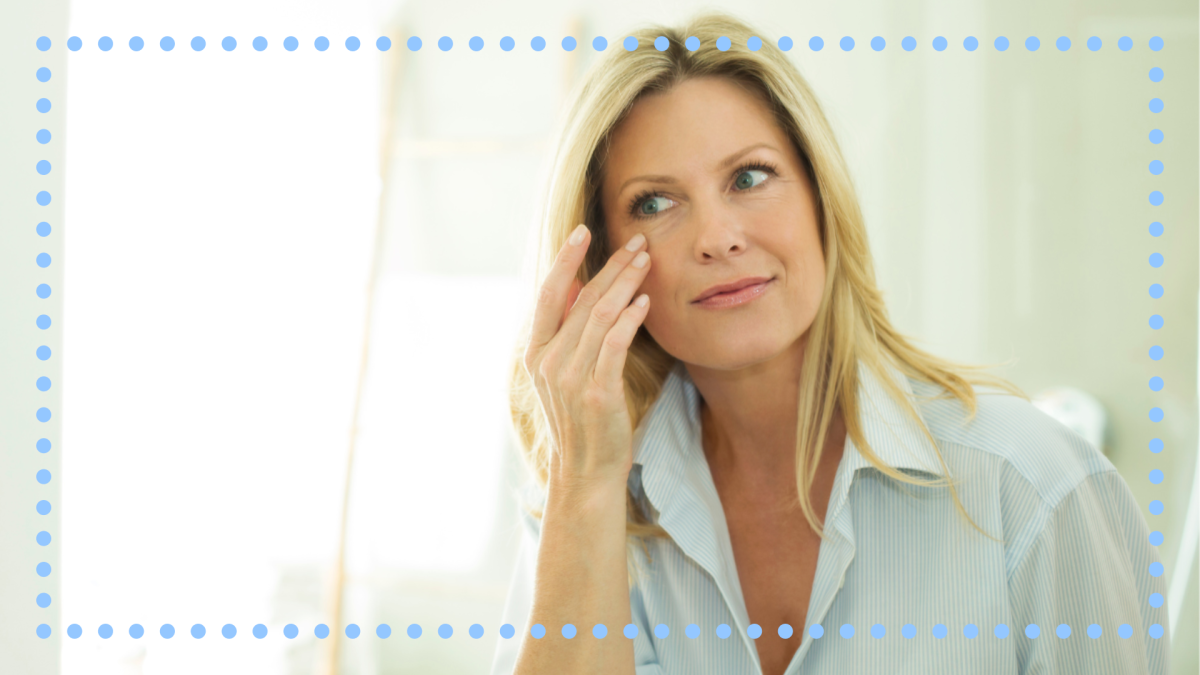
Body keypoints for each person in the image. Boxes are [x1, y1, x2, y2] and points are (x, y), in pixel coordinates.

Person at [492, 11, 1169, 675]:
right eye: (654, 203)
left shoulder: (1031, 482)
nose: (718, 237)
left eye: (749, 177)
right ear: (601, 262)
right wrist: (585, 485)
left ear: (821, 197)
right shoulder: (588, 501)